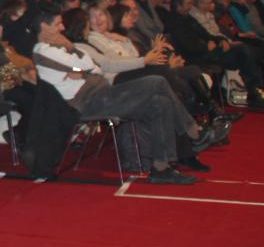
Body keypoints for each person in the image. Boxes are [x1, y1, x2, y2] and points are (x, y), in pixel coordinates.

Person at [31, 10, 219, 183]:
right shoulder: (43, 50)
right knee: (157, 81)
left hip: (101, 93)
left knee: (160, 103)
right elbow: (88, 65)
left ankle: (161, 168)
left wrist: (79, 65)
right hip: (89, 101)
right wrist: (73, 52)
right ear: (44, 27)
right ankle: (194, 132)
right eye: (57, 24)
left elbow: (94, 67)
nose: (62, 28)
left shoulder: (59, 47)